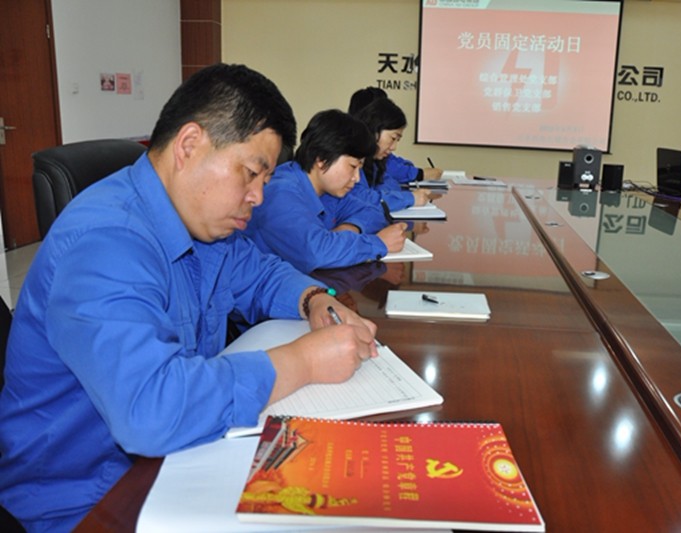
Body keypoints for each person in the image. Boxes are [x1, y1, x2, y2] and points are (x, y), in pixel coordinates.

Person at [0, 63, 379, 532]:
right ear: (189, 145)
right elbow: (150, 408)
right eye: (250, 173)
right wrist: (303, 362)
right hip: (86, 502)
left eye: (265, 181)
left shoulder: (204, 224)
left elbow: (261, 273)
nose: (258, 197)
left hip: (175, 464)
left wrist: (314, 298)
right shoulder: (106, 241)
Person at [243, 109, 407, 274]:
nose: (357, 178)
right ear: (321, 159)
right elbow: (315, 253)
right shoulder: (279, 193)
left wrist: (349, 227)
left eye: (360, 168)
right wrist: (378, 243)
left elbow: (373, 212)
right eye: (352, 166)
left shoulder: (329, 190)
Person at [348, 86, 444, 184]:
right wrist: (418, 174)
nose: (393, 147)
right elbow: (364, 192)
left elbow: (388, 181)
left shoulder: (375, 158)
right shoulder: (350, 153)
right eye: (393, 138)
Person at [351, 97, 433, 211]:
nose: (394, 147)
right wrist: (410, 198)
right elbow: (361, 199)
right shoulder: (352, 157)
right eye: (393, 138)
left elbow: (390, 185)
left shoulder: (374, 162)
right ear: (374, 130)